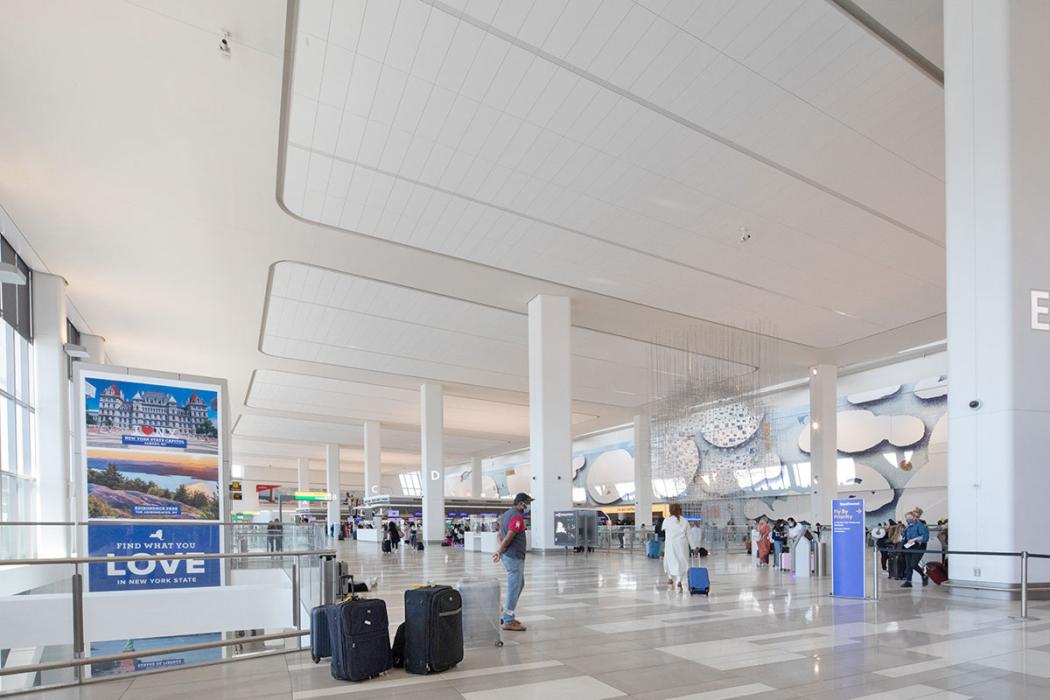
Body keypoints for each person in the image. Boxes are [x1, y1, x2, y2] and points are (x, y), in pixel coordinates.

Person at [493, 492, 533, 632]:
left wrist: (501, 550)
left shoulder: (505, 515)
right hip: (514, 556)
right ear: (521, 503)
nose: (528, 506)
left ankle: (508, 613)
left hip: (509, 555)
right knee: (514, 587)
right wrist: (500, 550)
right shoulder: (516, 516)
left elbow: (499, 535)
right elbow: (509, 536)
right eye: (527, 503)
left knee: (519, 584)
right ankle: (508, 621)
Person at [662, 503, 691, 589]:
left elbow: (664, 531)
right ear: (680, 510)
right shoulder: (685, 521)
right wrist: (694, 547)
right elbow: (689, 535)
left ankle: (670, 578)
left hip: (670, 545)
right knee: (682, 562)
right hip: (682, 545)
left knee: (669, 561)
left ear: (670, 510)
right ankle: (679, 581)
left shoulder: (666, 521)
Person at [901, 508, 930, 587]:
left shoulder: (921, 525)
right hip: (909, 547)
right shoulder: (908, 526)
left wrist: (915, 539)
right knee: (908, 565)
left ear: (914, 517)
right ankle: (908, 581)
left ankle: (924, 575)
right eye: (906, 518)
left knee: (913, 564)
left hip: (918, 547)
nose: (908, 519)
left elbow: (925, 537)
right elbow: (905, 536)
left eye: (909, 518)